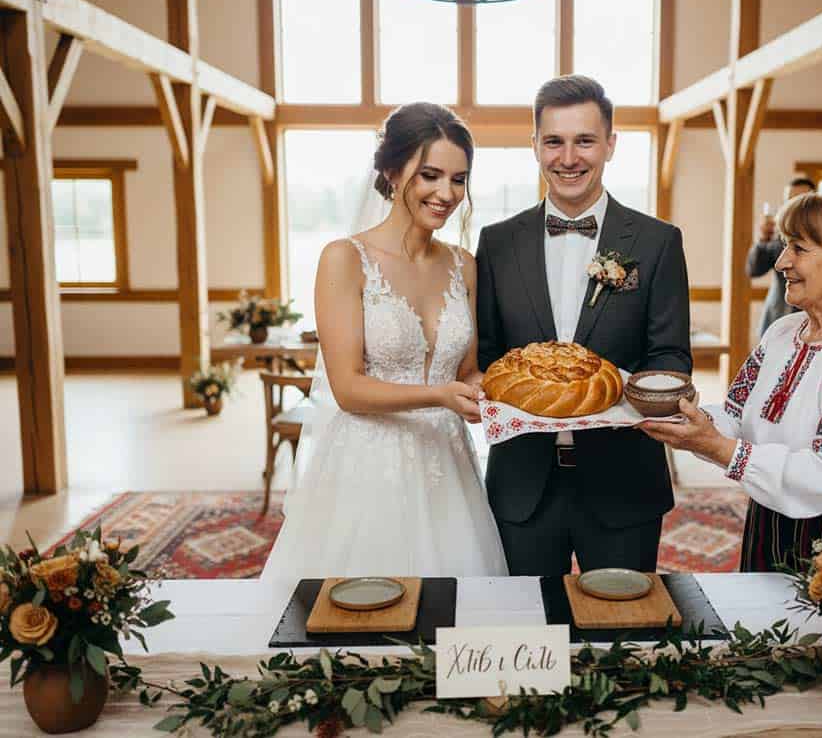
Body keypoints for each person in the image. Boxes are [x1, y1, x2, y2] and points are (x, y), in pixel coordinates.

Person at [262, 102, 507, 583]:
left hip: (448, 464)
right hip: (369, 465)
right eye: (430, 175)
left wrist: (514, 391)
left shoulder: (465, 265)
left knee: (458, 614)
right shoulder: (344, 259)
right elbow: (348, 389)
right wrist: (438, 397)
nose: (446, 193)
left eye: (459, 179)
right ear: (393, 172)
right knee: (362, 617)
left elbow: (467, 372)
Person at [639, 189, 822, 572]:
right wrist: (684, 419)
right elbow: (735, 412)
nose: (781, 262)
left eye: (799, 249)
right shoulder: (784, 332)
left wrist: (725, 451)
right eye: (784, 246)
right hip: (772, 523)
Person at [476, 75, 692, 576]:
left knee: (622, 638)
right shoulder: (497, 243)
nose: (568, 158)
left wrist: (630, 396)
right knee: (528, 636)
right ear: (534, 146)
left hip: (624, 485)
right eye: (554, 141)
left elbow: (671, 356)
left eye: (585, 141)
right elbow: (488, 356)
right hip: (522, 485)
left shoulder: (658, 242)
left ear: (610, 145)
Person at [746, 177, 816, 338]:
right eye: (790, 201)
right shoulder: (777, 235)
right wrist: (763, 239)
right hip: (778, 312)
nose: (794, 206)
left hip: (812, 314)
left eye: (800, 200)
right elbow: (753, 270)